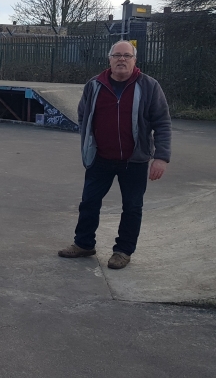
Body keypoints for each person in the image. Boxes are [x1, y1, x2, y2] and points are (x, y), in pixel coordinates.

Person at [58, 40, 171, 269]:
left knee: (132, 207)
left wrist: (161, 156)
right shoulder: (94, 85)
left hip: (135, 160)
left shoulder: (149, 86)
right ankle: (84, 244)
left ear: (134, 60)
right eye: (117, 55)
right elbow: (83, 115)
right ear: (109, 59)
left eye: (127, 56)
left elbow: (162, 123)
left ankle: (123, 251)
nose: (122, 59)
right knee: (89, 202)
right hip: (100, 158)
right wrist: (90, 141)